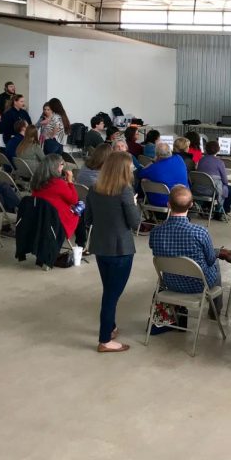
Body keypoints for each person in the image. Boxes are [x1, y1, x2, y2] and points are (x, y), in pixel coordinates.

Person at [84, 151, 142, 353]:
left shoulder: (93, 188)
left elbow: (88, 220)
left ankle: (111, 326)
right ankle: (104, 340)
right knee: (111, 295)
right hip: (121, 248)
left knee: (109, 289)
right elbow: (135, 222)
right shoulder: (125, 191)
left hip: (100, 246)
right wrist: (134, 205)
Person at [149, 185, 231, 314]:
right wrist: (216, 254)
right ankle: (215, 311)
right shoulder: (200, 232)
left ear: (168, 204)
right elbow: (210, 260)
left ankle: (222, 252)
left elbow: (156, 251)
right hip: (199, 285)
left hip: (170, 283)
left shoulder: (155, 232)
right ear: (191, 205)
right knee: (214, 261)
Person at [30, 153, 79, 240]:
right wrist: (70, 181)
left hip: (40, 217)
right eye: (62, 164)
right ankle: (81, 243)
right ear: (55, 167)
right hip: (57, 220)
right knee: (80, 208)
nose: (63, 167)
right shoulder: (59, 183)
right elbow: (74, 200)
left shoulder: (36, 180)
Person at [137, 142, 188, 207]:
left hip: (161, 201)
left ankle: (140, 200)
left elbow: (140, 174)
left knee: (144, 180)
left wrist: (153, 161)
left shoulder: (154, 168)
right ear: (170, 151)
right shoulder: (179, 158)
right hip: (182, 199)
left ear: (156, 155)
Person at [196, 140, 231, 218]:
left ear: (206, 149)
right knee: (230, 189)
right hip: (213, 191)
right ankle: (222, 211)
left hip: (199, 189)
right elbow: (225, 181)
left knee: (210, 184)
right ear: (218, 150)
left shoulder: (201, 160)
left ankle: (206, 208)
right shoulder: (219, 162)